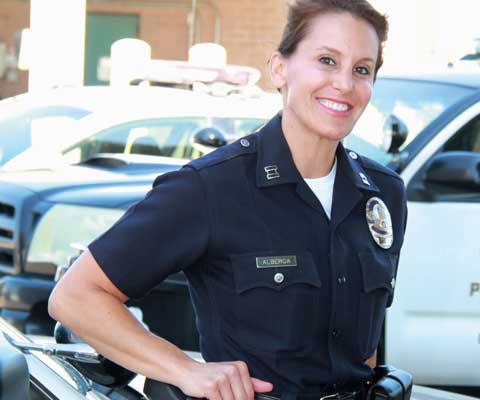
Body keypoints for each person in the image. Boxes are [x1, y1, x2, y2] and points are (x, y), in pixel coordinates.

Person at [48, 1, 407, 399]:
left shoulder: (383, 193)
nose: (344, 84)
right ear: (279, 68)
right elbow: (76, 296)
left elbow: (365, 351)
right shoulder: (211, 188)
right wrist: (183, 369)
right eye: (326, 60)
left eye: (362, 69)